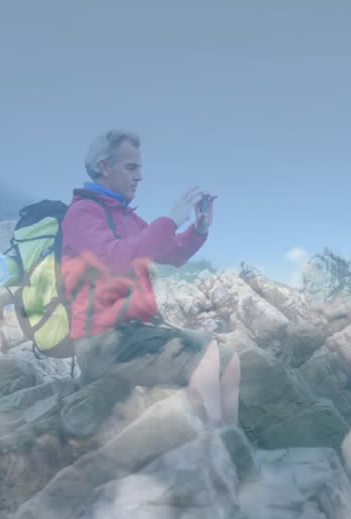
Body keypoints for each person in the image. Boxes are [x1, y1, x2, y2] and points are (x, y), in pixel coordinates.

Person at [59, 129, 240, 427]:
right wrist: (170, 220)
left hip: (133, 334)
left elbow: (173, 253)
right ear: (104, 167)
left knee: (225, 357)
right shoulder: (82, 214)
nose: (140, 176)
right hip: (103, 343)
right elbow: (116, 261)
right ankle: (220, 446)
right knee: (213, 358)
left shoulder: (125, 216)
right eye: (132, 167)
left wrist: (199, 228)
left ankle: (225, 441)